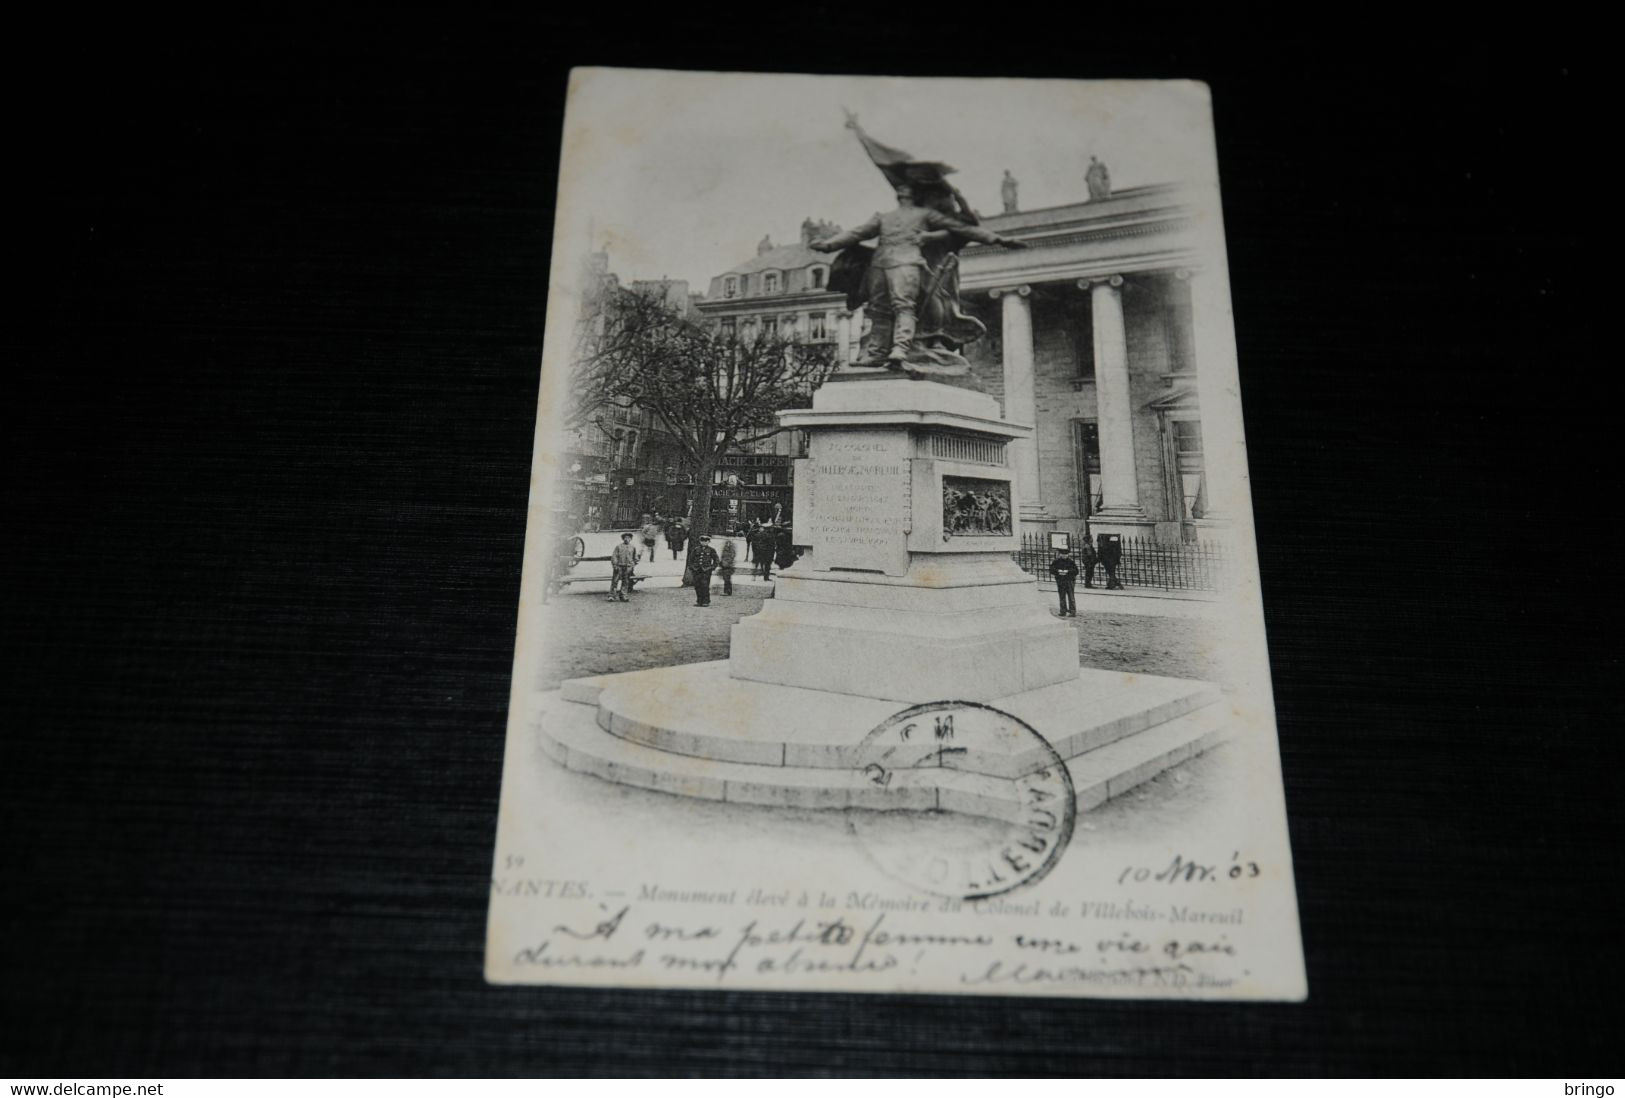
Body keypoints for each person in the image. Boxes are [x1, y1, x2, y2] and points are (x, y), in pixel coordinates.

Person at [811, 182, 1025, 367]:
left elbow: (961, 229)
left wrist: (999, 240)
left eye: (907, 189)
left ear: (914, 195)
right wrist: (828, 245)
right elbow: (857, 233)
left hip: (908, 262)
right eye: (900, 188)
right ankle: (876, 354)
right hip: (880, 263)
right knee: (878, 310)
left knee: (903, 305)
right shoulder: (883, 216)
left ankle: (900, 349)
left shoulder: (925, 214)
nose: (902, 191)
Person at [689, 535, 720, 607]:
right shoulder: (696, 549)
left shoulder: (711, 550)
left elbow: (716, 560)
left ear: (709, 542)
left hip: (706, 571)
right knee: (697, 586)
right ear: (700, 541)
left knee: (705, 586)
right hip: (697, 570)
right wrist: (692, 567)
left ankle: (706, 601)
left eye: (706, 541)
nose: (704, 542)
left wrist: (712, 567)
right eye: (702, 541)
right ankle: (699, 601)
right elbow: (691, 559)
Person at [608, 532, 639, 603]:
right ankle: (612, 595)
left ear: (631, 539)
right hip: (619, 566)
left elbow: (635, 558)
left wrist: (633, 564)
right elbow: (614, 557)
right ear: (623, 539)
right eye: (625, 538)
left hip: (628, 567)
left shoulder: (633, 547)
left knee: (626, 582)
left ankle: (623, 595)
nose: (627, 539)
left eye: (628, 538)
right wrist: (615, 565)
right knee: (615, 581)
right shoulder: (618, 547)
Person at [1049, 546, 1079, 617]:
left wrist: (1067, 572)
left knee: (1071, 596)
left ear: (1068, 554)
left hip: (1069, 581)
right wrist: (1058, 571)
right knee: (1062, 596)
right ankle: (1063, 611)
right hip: (1060, 581)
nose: (1064, 555)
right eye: (1062, 554)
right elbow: (1051, 570)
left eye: (1066, 554)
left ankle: (1072, 611)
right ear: (1060, 554)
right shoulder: (1056, 561)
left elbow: (1076, 571)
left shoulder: (1071, 562)